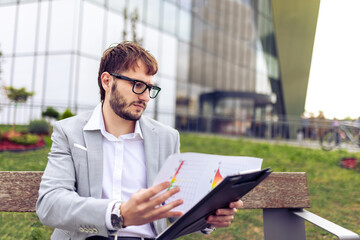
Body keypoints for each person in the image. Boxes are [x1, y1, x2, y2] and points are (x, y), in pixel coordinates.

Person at [36, 41, 243, 240]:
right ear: (107, 81)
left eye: (149, 88)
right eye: (137, 85)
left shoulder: (167, 138)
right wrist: (119, 214)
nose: (144, 96)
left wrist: (208, 216)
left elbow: (174, 207)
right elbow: (50, 204)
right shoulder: (69, 132)